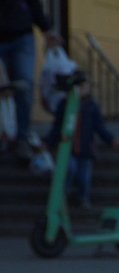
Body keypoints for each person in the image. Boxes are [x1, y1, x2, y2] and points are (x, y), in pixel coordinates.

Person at [45, 73, 119, 210]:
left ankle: (83, 198)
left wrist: (111, 140)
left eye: (85, 86)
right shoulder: (64, 104)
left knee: (84, 177)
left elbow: (99, 127)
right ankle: (64, 195)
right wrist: (49, 142)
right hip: (68, 147)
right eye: (80, 86)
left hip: (85, 148)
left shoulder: (91, 106)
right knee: (69, 169)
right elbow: (57, 126)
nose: (83, 89)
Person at [0, 0, 61, 160]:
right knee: (4, 89)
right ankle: (5, 135)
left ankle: (22, 138)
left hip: (22, 37)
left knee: (24, 86)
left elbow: (34, 4)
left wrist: (47, 30)